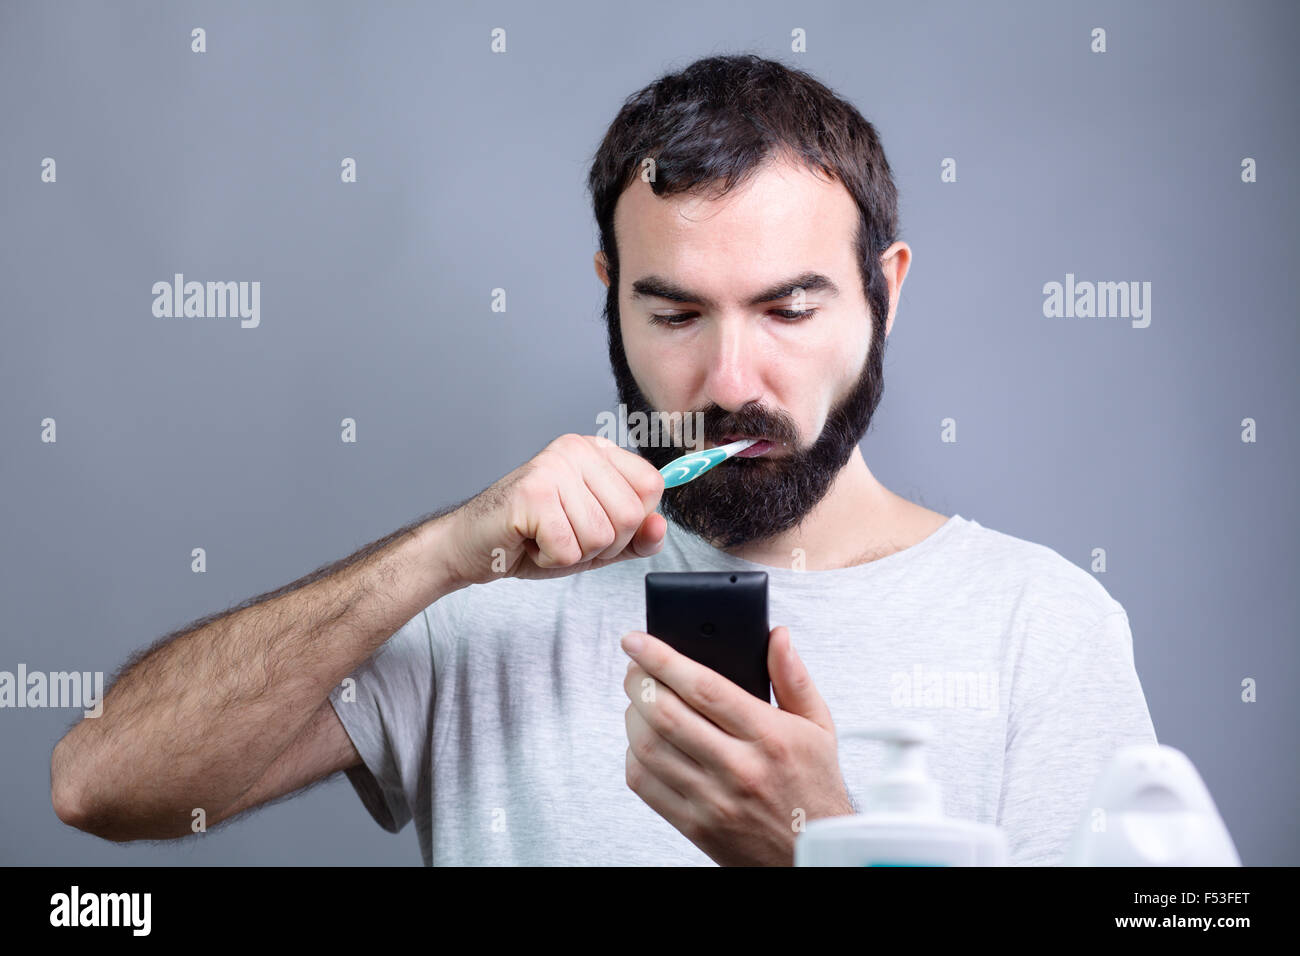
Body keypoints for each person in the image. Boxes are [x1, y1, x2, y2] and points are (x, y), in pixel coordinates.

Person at [50, 53, 1156, 866]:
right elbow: (99, 784)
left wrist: (823, 851)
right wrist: (437, 556)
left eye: (787, 306)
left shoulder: (1040, 628)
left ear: (886, 291)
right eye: (674, 312)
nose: (729, 379)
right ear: (611, 298)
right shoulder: (484, 601)